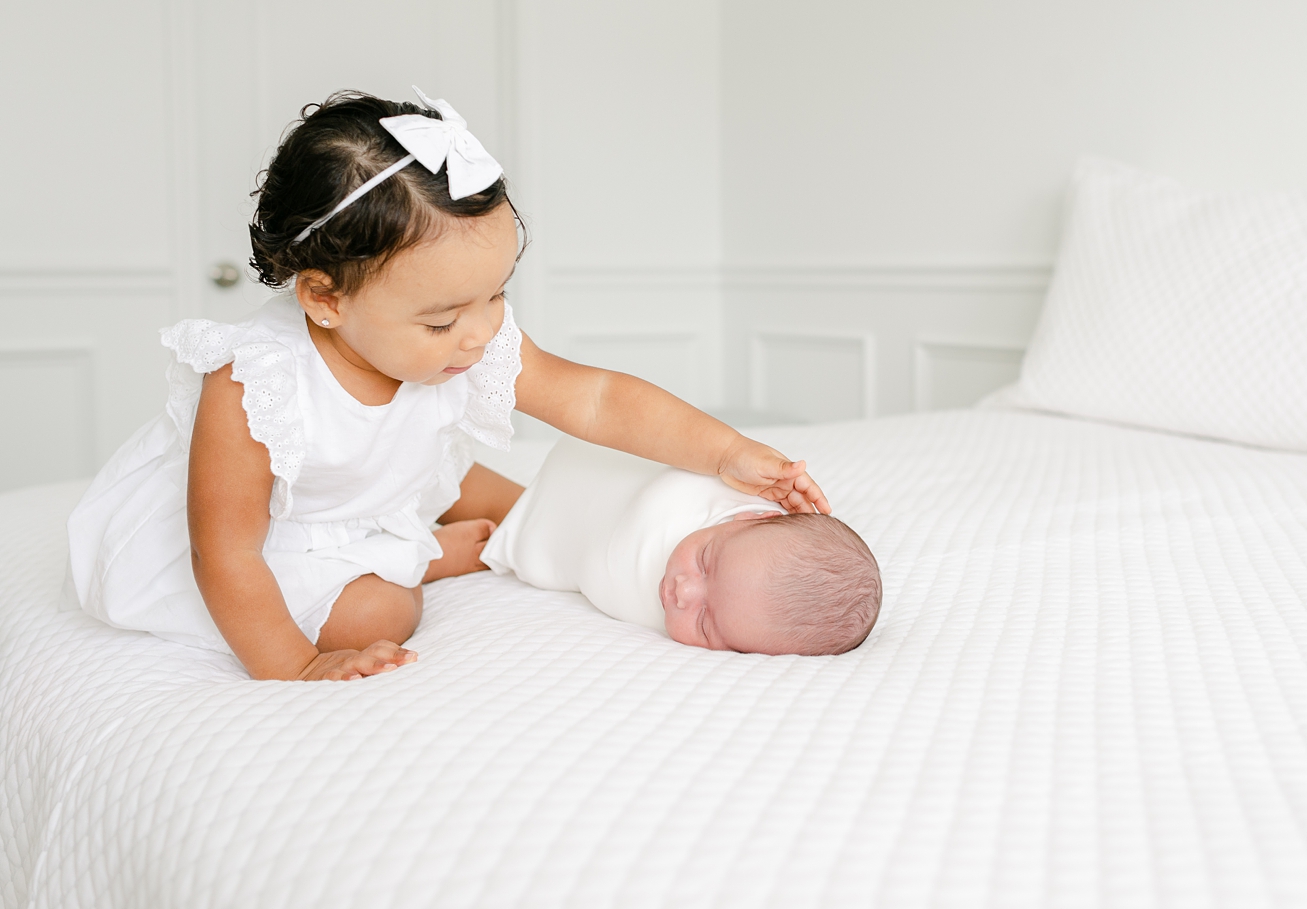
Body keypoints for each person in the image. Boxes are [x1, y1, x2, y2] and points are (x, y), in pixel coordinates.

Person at [67, 88, 830, 681]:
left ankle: (417, 529)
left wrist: (727, 453)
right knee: (384, 609)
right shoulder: (254, 383)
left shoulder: (463, 336)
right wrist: (294, 665)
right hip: (266, 528)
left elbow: (594, 398)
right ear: (324, 298)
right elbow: (226, 554)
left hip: (369, 482)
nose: (479, 334)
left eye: (495, 294)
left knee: (529, 512)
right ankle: (426, 552)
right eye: (441, 321)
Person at [481, 437, 880, 655]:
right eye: (706, 561)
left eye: (706, 623)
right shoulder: (745, 498)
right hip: (600, 468)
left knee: (503, 519)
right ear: (754, 516)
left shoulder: (743, 597)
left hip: (558, 536)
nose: (683, 591)